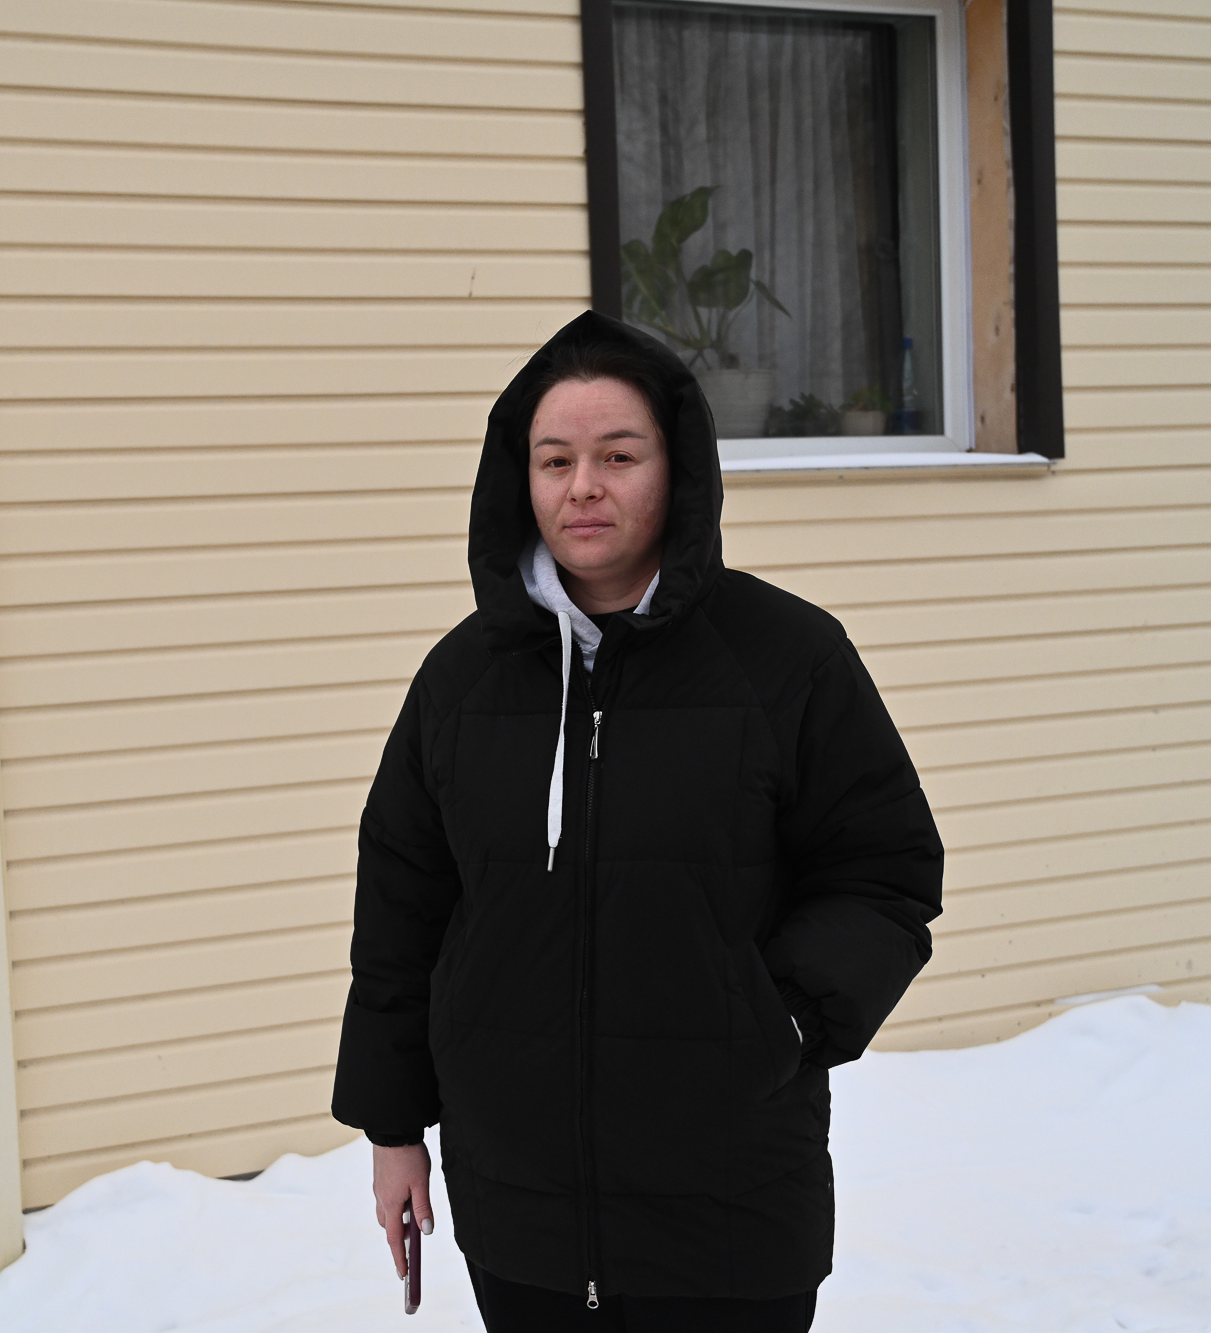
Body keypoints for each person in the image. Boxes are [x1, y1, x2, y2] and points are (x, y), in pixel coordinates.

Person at [329, 312, 944, 1331]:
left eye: (618, 456)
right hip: (519, 1203)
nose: (583, 486)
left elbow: (882, 873)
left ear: (677, 469)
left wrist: (782, 1017)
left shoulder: (785, 659)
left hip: (728, 1203)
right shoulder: (462, 681)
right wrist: (392, 1126)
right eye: (554, 460)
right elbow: (402, 905)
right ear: (519, 479)